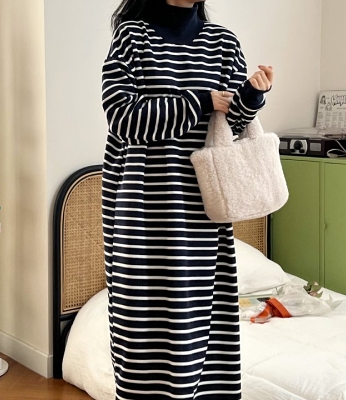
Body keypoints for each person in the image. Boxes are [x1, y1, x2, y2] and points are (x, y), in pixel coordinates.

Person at [101, 1, 273, 399]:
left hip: (203, 206)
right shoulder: (132, 37)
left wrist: (253, 94)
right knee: (143, 319)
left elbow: (230, 124)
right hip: (143, 207)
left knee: (201, 318)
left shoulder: (223, 42)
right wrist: (202, 100)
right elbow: (123, 118)